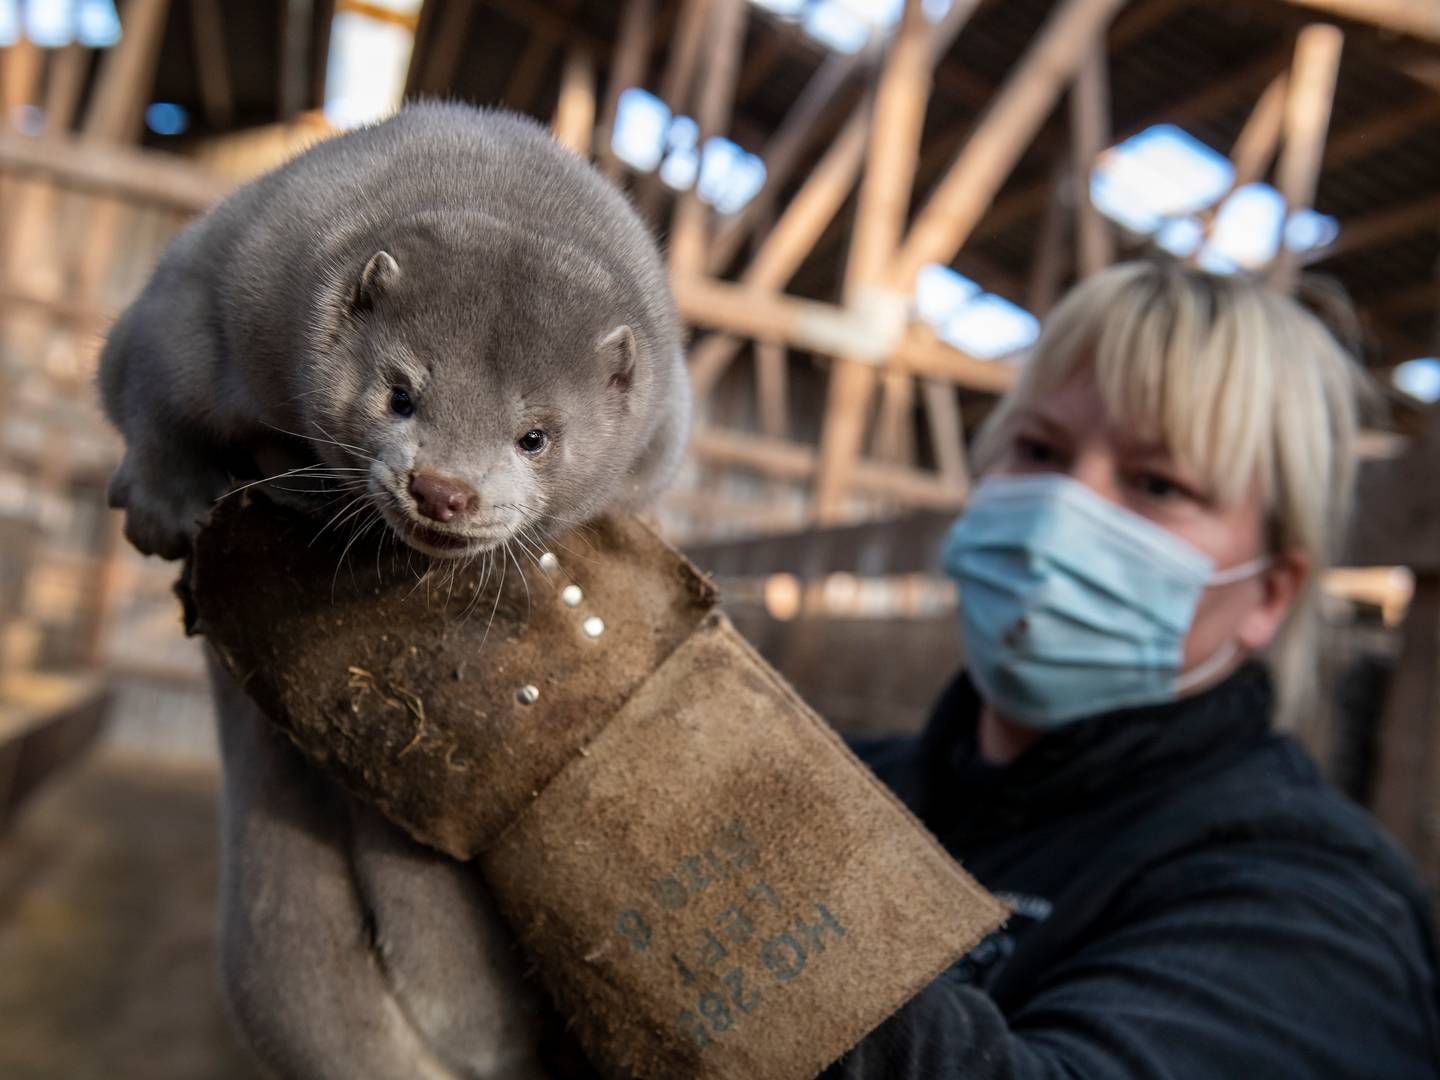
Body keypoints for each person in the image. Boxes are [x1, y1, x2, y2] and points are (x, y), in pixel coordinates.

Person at [823, 259, 1440, 1077]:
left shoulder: (1313, 906)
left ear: (1269, 592)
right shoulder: (853, 781)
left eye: (1157, 482)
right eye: (1039, 447)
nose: (1062, 509)